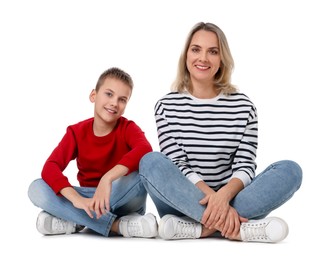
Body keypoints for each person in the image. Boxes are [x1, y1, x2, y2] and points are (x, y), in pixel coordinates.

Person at [139, 22, 303, 243]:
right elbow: (178, 164)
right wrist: (212, 199)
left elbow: (245, 166)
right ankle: (236, 229)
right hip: (184, 200)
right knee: (150, 162)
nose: (203, 58)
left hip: (234, 198)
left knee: (290, 170)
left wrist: (223, 197)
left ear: (222, 59)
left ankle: (198, 228)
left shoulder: (244, 106)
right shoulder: (166, 106)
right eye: (196, 49)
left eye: (213, 51)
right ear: (186, 55)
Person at [28, 67, 158, 238]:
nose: (114, 103)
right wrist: (77, 199)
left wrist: (108, 178)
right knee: (36, 188)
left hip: (120, 196)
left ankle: (75, 220)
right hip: (88, 198)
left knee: (138, 175)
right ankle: (116, 226)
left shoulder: (128, 128)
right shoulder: (76, 132)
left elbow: (145, 150)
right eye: (109, 94)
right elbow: (50, 167)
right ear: (93, 95)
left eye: (122, 100)